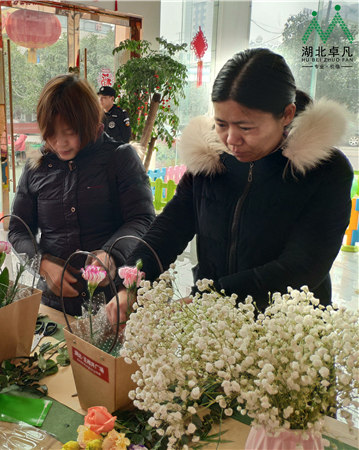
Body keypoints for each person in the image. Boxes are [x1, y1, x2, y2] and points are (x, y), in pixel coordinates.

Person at [106, 48, 354, 324]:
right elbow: (169, 228)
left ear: (286, 114)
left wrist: (212, 297)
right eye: (221, 124)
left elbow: (303, 266)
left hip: (289, 334)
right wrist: (132, 280)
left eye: (246, 127)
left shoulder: (324, 172)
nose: (231, 139)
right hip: (214, 327)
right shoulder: (211, 159)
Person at [8, 74, 155, 316]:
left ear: (89, 122)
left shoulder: (119, 158)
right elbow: (18, 229)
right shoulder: (37, 167)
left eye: (69, 132)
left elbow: (142, 219)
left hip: (110, 305)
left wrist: (111, 254)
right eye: (51, 134)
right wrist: (42, 263)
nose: (60, 143)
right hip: (54, 305)